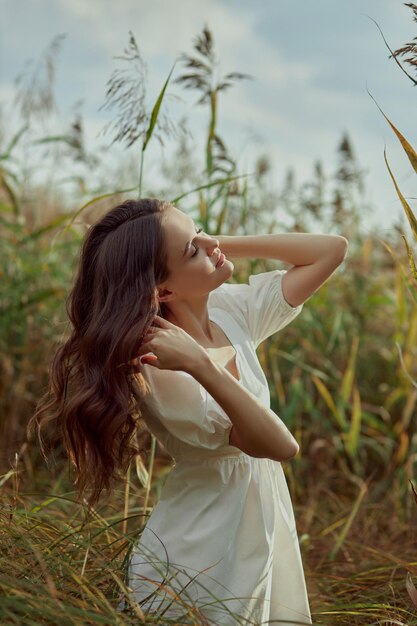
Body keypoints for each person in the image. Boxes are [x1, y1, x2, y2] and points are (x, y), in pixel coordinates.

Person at [30, 197, 348, 625]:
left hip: (254, 524)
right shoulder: (160, 368)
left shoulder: (228, 310)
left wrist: (213, 246)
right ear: (163, 291)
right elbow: (281, 445)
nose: (209, 244)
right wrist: (199, 364)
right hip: (205, 547)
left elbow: (332, 249)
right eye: (191, 250)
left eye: (200, 231)